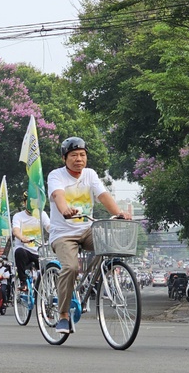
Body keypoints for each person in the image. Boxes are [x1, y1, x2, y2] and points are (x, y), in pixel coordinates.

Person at [47, 136, 131, 334]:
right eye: (74, 155)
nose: (79, 159)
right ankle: (63, 316)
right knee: (71, 267)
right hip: (63, 234)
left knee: (110, 245)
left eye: (82, 155)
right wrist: (65, 209)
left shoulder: (90, 174)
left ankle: (92, 282)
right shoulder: (56, 176)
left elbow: (103, 196)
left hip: (87, 230)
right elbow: (58, 195)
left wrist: (119, 212)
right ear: (64, 158)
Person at [12, 192, 50, 291]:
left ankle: (50, 286)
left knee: (49, 266)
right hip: (25, 249)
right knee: (19, 252)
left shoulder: (42, 214)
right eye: (29, 202)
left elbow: (49, 227)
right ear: (24, 203)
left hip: (39, 251)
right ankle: (23, 282)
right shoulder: (18, 216)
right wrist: (22, 238)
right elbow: (15, 230)